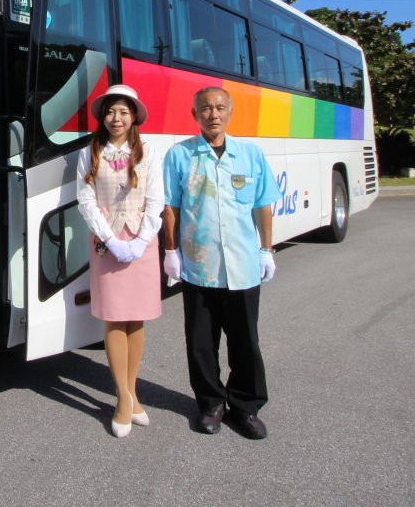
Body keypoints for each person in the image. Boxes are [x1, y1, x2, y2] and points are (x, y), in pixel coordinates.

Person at [161, 86, 282, 440]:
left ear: (230, 112)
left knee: (245, 341)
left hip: (242, 265)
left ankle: (246, 406)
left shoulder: (250, 154)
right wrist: (171, 250)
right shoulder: (179, 155)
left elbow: (262, 204)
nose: (213, 114)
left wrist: (266, 249)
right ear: (194, 114)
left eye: (219, 107)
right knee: (201, 342)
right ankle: (211, 403)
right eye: (205, 108)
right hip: (199, 267)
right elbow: (170, 206)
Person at [76, 84, 164, 438]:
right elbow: (85, 199)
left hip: (142, 244)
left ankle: (131, 392)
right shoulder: (90, 151)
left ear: (134, 117)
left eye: (124, 112)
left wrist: (141, 241)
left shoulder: (148, 152)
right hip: (106, 243)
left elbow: (156, 200)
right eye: (111, 111)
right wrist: (110, 239)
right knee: (114, 319)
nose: (117, 118)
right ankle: (124, 400)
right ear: (103, 117)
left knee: (136, 319)